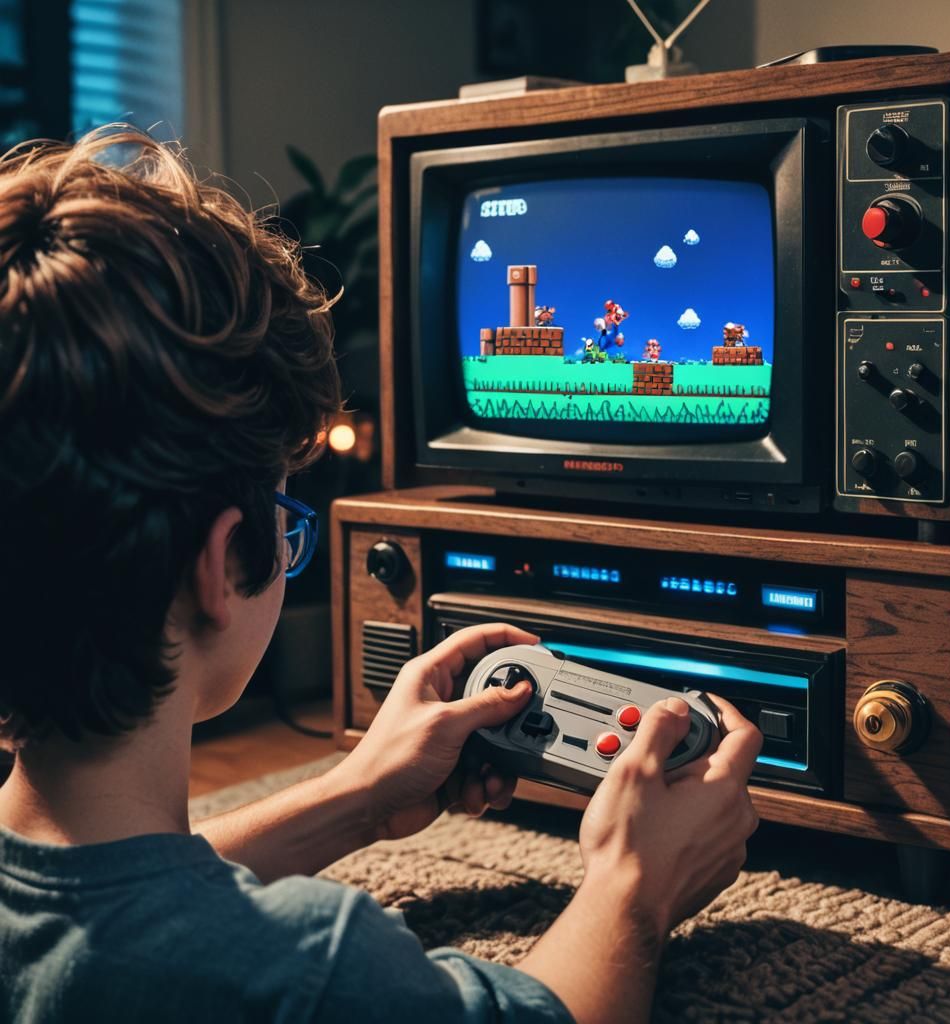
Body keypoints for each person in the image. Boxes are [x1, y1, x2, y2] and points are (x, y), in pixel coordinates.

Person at [0, 126, 762, 1024]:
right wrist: (636, 886)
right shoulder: (312, 966)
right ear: (223, 563)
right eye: (288, 524)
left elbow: (132, 889)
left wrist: (353, 797)